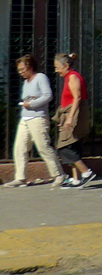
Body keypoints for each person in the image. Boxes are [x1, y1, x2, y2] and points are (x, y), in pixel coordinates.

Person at [5, 54, 63, 188]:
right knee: (20, 147)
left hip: (38, 117)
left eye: (22, 69)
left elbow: (48, 96)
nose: (21, 73)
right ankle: (20, 177)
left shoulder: (40, 78)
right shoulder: (26, 83)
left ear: (30, 67)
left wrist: (31, 104)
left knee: (43, 146)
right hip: (25, 118)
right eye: (19, 70)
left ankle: (58, 174)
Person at [53, 52, 95, 187]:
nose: (56, 70)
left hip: (73, 114)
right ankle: (76, 179)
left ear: (65, 66)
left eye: (57, 67)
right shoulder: (69, 77)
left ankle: (86, 172)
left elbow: (77, 97)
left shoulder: (73, 77)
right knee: (72, 145)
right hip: (69, 112)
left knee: (64, 146)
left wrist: (70, 118)